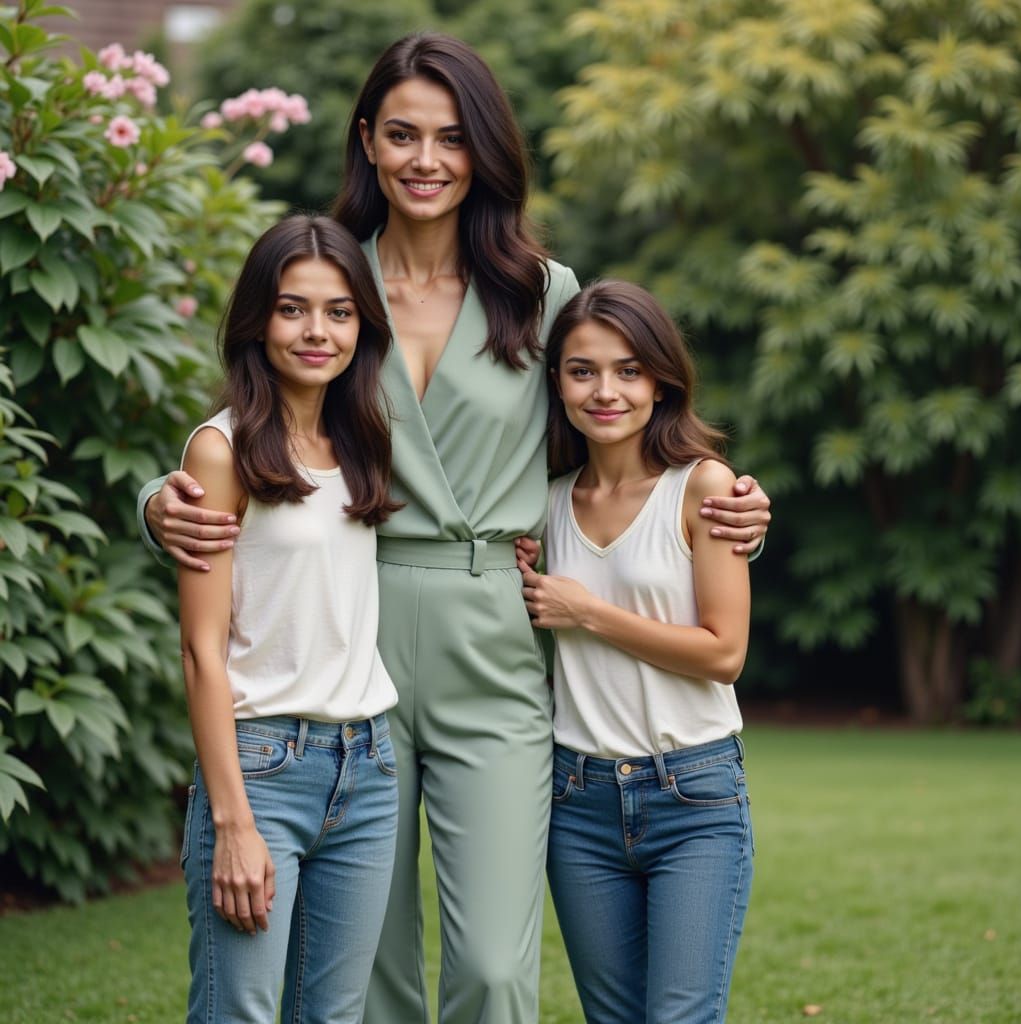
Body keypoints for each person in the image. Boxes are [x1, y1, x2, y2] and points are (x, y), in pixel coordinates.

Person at [140, 34, 771, 1024]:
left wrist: (724, 502)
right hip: (358, 628)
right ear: (367, 144)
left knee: (490, 965)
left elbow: (613, 439)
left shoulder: (542, 292)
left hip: (499, 635)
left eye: (450, 136)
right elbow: (258, 430)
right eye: (401, 135)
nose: (425, 159)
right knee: (369, 966)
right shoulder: (332, 287)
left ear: (481, 150)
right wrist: (159, 498)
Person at [176, 214, 401, 1024]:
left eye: (339, 311)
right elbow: (202, 653)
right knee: (238, 1012)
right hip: (262, 764)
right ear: (256, 321)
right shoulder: (220, 450)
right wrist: (232, 821)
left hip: (369, 767)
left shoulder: (363, 440)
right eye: (292, 308)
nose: (318, 331)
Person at [521, 280, 753, 1024]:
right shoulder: (544, 503)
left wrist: (586, 610)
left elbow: (723, 654)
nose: (605, 391)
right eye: (582, 370)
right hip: (576, 801)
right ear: (555, 383)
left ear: (661, 380)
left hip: (692, 793)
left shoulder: (704, 488)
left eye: (628, 370)